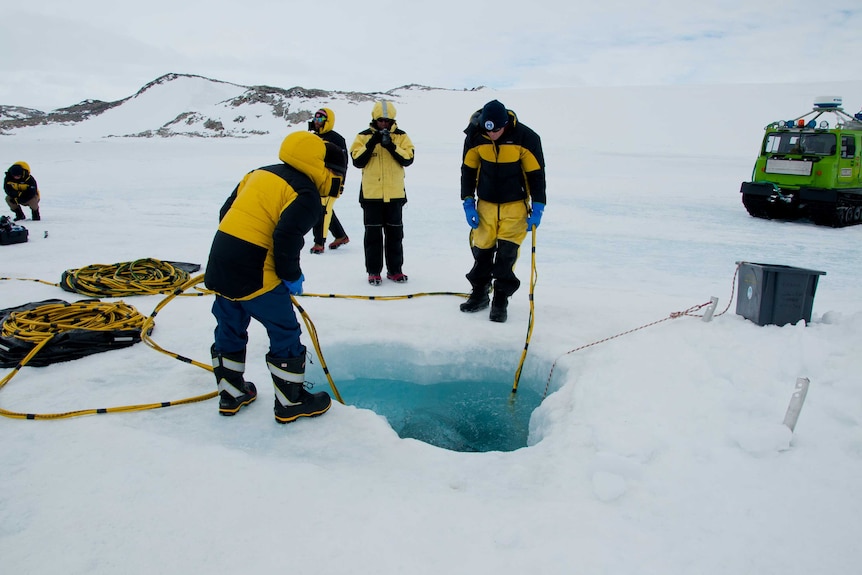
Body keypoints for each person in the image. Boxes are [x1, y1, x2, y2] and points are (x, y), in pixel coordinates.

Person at [204, 131, 347, 423]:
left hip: (220, 260)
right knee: (285, 330)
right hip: (255, 270)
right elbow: (285, 238)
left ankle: (231, 394)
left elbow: (225, 212)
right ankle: (290, 402)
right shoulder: (306, 194)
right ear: (325, 169)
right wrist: (291, 276)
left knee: (229, 325)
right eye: (339, 174)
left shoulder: (260, 172)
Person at [459, 100, 546, 323]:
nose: (493, 135)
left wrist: (538, 206)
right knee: (482, 252)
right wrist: (468, 200)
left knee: (506, 256)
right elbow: (468, 170)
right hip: (486, 205)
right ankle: (479, 293)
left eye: (497, 130)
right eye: (489, 130)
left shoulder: (526, 137)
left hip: (515, 206)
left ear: (505, 124)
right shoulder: (476, 136)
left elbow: (537, 175)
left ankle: (500, 299)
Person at [350, 100, 415, 285]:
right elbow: (357, 160)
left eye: (388, 121)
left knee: (395, 236)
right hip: (371, 196)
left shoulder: (401, 136)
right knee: (373, 236)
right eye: (381, 120)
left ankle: (395, 270)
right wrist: (373, 142)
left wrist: (390, 146)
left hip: (394, 195)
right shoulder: (362, 136)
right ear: (374, 119)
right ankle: (373, 271)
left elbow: (408, 158)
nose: (384, 124)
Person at [308, 107, 350, 254]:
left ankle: (319, 243)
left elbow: (344, 163)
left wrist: (342, 182)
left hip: (332, 180)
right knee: (323, 208)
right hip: (317, 178)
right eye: (315, 118)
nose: (316, 121)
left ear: (327, 121)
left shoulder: (337, 139)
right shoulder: (313, 138)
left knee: (323, 210)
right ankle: (340, 236)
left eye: (320, 119)